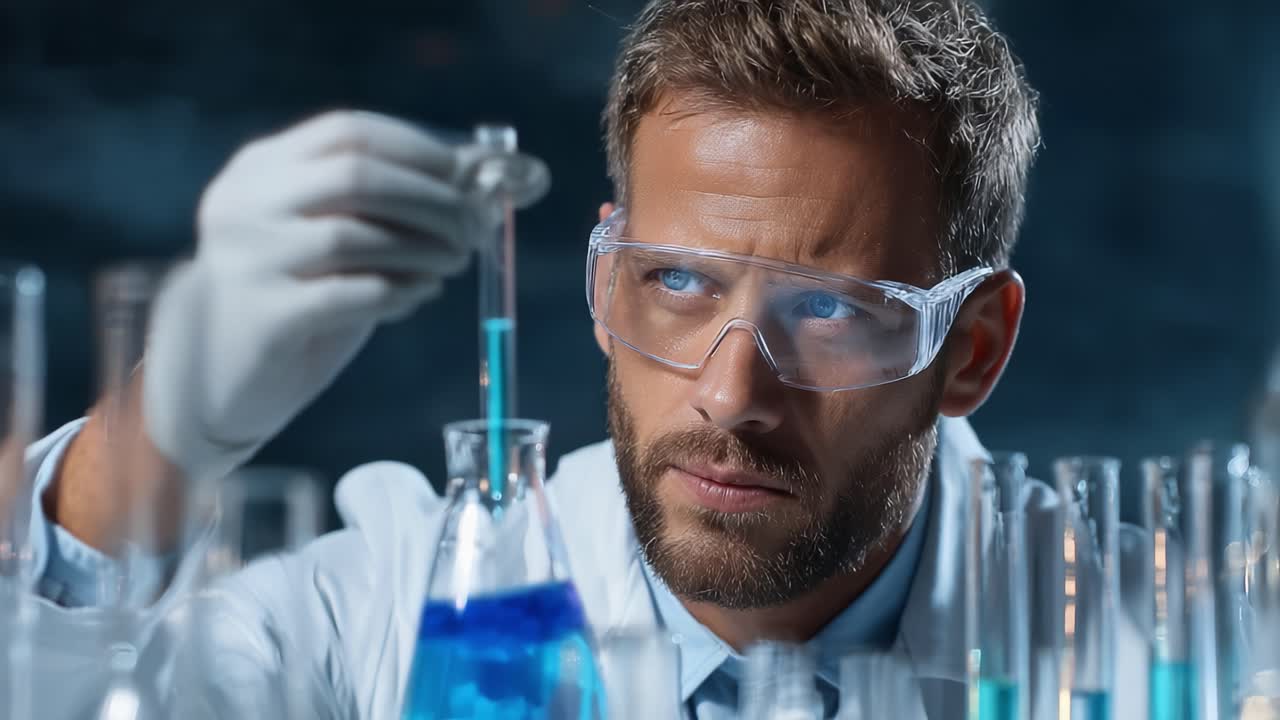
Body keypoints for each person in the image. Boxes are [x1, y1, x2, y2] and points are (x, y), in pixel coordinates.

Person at [15, 0, 1149, 717]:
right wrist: (164, 431)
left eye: (828, 309)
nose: (726, 392)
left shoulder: (1144, 646)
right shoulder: (421, 609)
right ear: (605, 277)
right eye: (676, 281)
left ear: (972, 348)